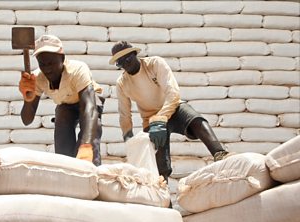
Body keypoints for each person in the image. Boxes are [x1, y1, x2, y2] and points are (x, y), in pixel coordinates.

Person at [109, 41, 231, 180]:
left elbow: (172, 93)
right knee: (160, 165)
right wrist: (128, 138)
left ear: (135, 54)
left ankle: (220, 154)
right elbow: (124, 114)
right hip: (151, 119)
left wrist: (162, 117)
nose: (124, 64)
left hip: (173, 108)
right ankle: (163, 195)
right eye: (119, 63)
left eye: (127, 59)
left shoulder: (154, 64)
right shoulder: (122, 83)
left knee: (195, 120)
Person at [19, 34, 104, 166]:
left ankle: (92, 173)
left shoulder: (78, 69)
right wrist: (27, 98)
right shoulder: (37, 78)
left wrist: (86, 145)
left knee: (91, 131)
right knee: (62, 129)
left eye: (51, 63)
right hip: (67, 104)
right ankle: (67, 172)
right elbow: (27, 120)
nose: (47, 68)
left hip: (89, 101)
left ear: (62, 58)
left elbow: (89, 109)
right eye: (42, 63)